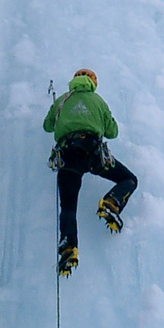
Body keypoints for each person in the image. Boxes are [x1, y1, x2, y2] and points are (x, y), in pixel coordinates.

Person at [44, 68, 137, 276]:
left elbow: (47, 126)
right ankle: (112, 202)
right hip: (93, 154)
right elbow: (112, 132)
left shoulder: (61, 101)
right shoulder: (98, 101)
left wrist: (62, 112)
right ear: (93, 82)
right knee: (129, 179)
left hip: (67, 156)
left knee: (68, 206)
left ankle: (69, 247)